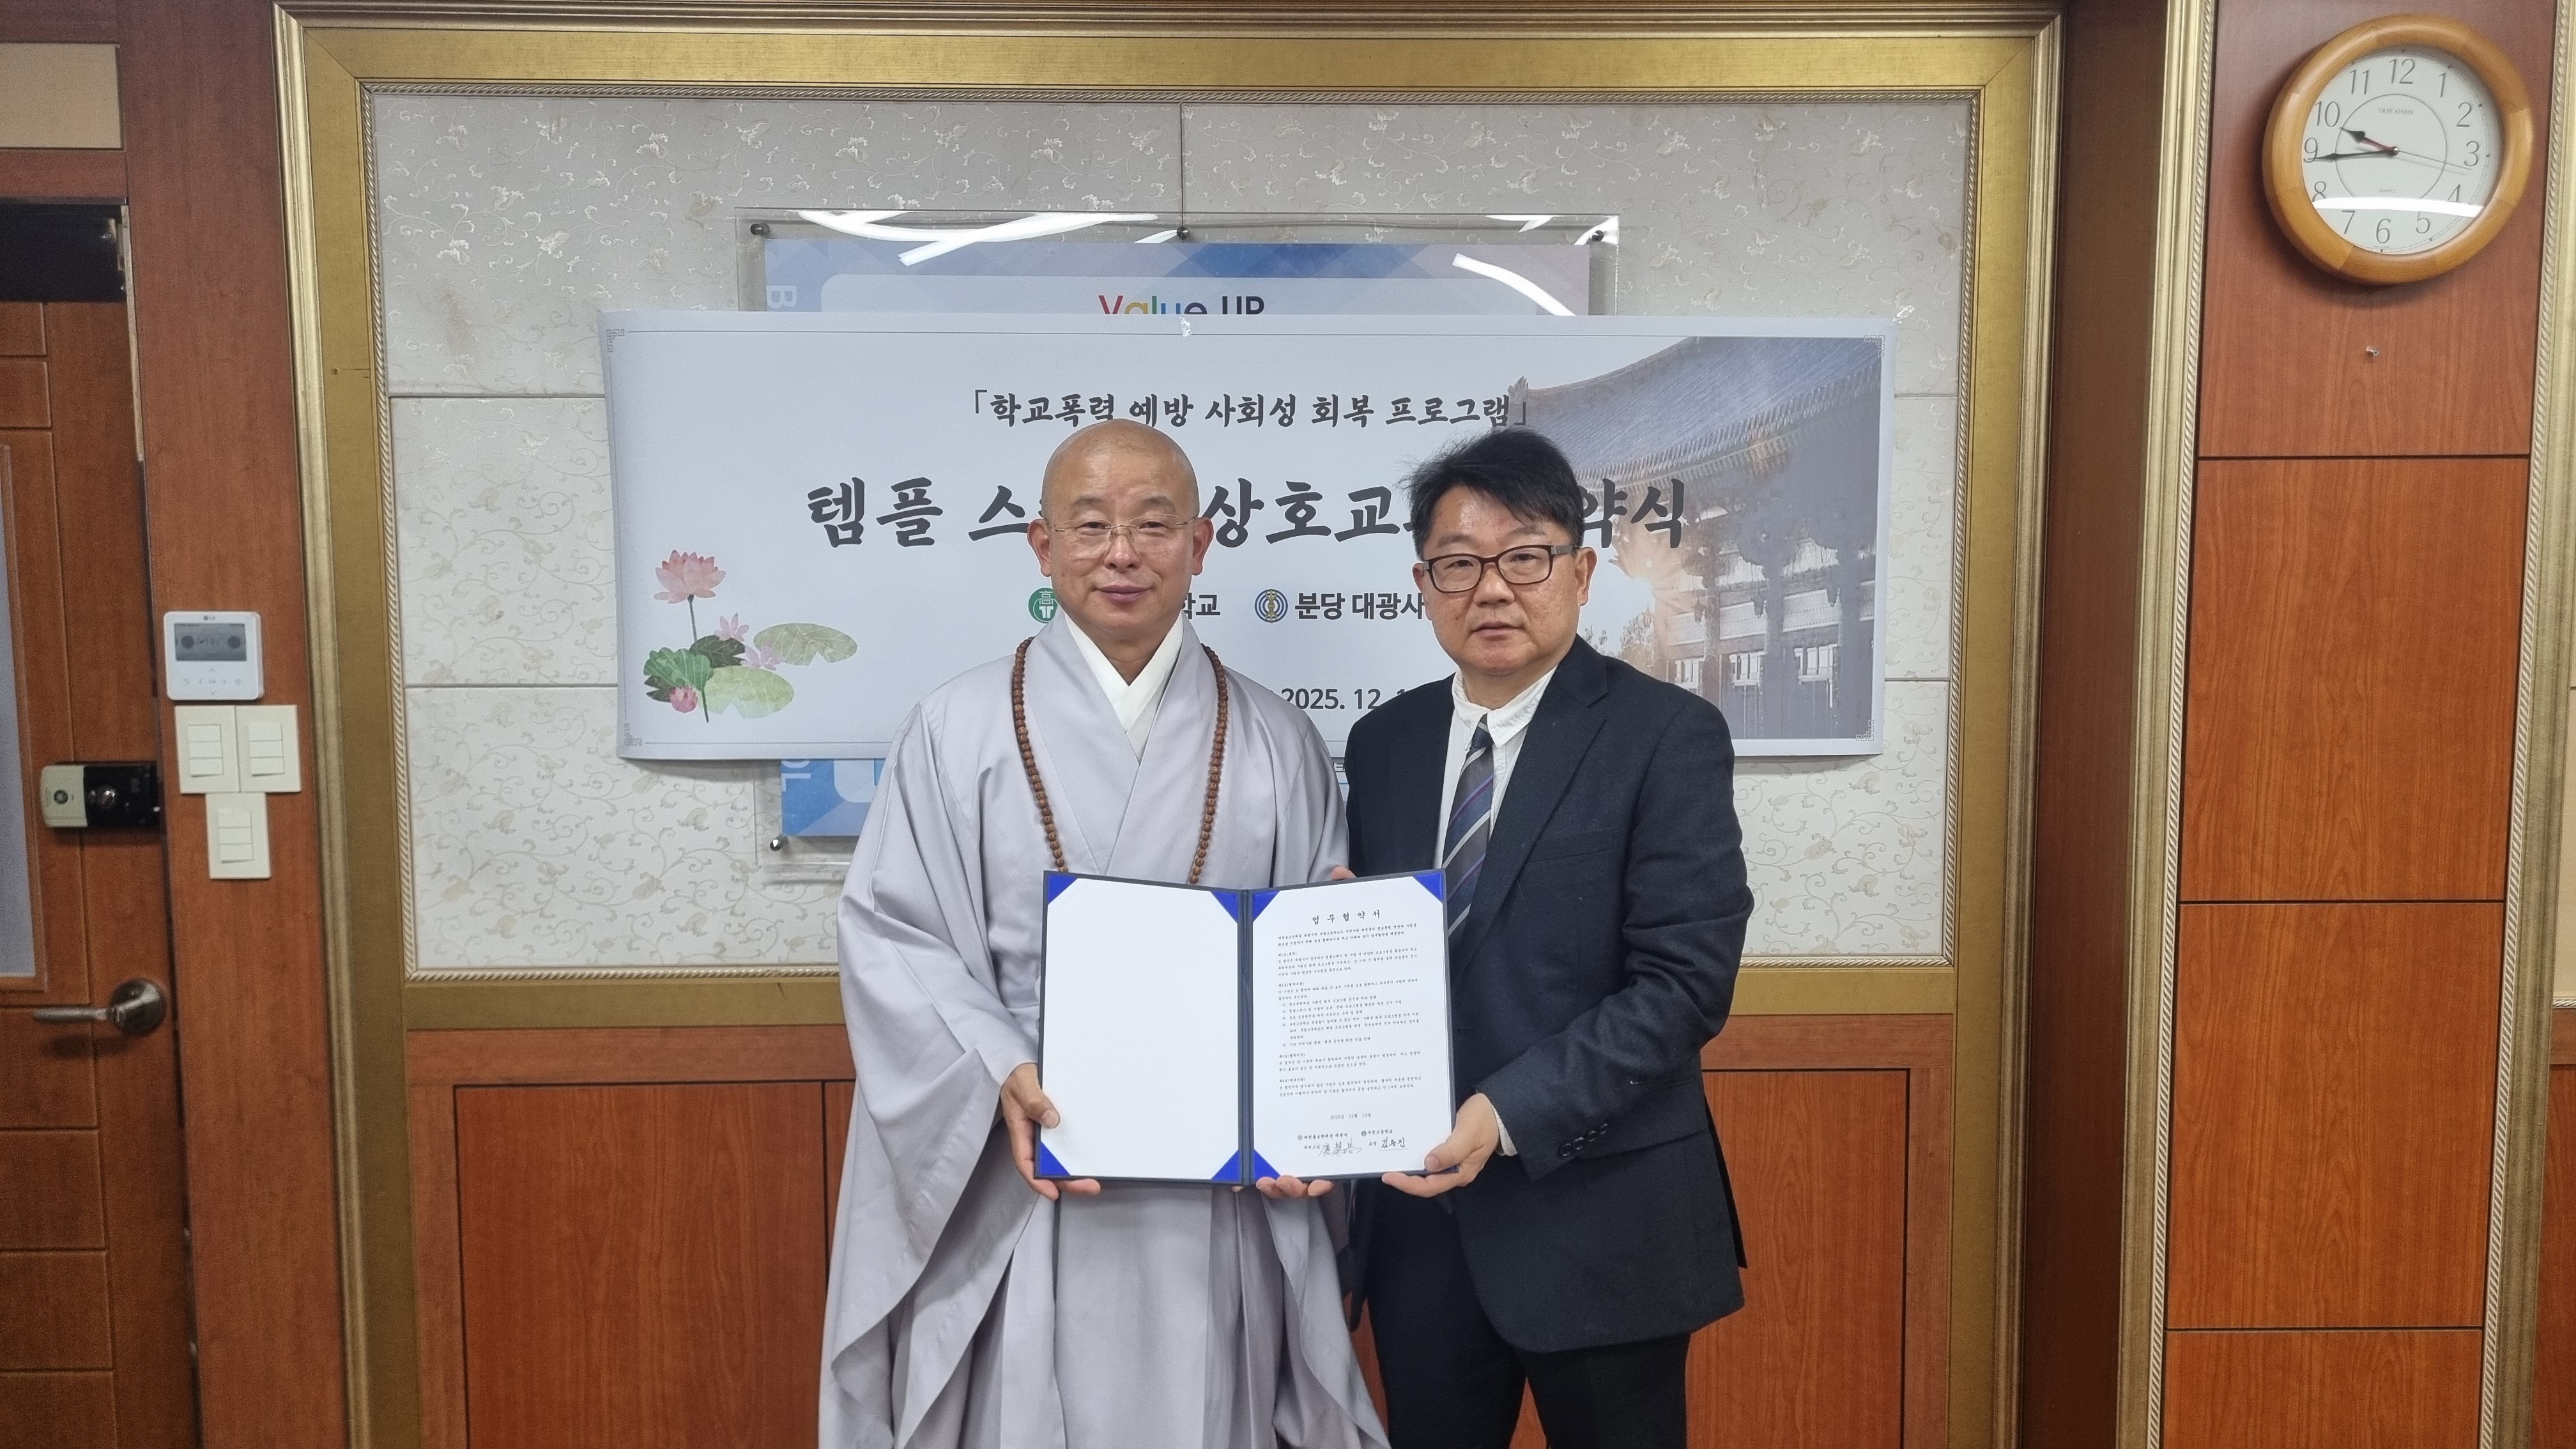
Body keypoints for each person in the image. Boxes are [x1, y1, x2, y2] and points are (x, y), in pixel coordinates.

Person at [821, 419, 1386, 1449]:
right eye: (1090, 525)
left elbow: (1313, 969)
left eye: (1153, 525)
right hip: (1034, 1151)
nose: (1122, 553)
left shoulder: (1278, 740)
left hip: (1219, 1184)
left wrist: (1313, 1111)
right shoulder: (955, 728)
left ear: (1201, 545)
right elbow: (898, 938)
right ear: (1043, 547)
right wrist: (1002, 1067)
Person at [1321, 427, 1753, 1449]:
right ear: (1423, 584)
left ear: (1582, 572)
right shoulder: (1383, 744)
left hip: (1604, 1219)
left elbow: (1685, 984)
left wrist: (1504, 1112)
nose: (1492, 590)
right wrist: (1337, 945)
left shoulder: (1667, 735)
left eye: (1524, 558)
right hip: (1422, 1226)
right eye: (1458, 564)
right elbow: (1383, 966)